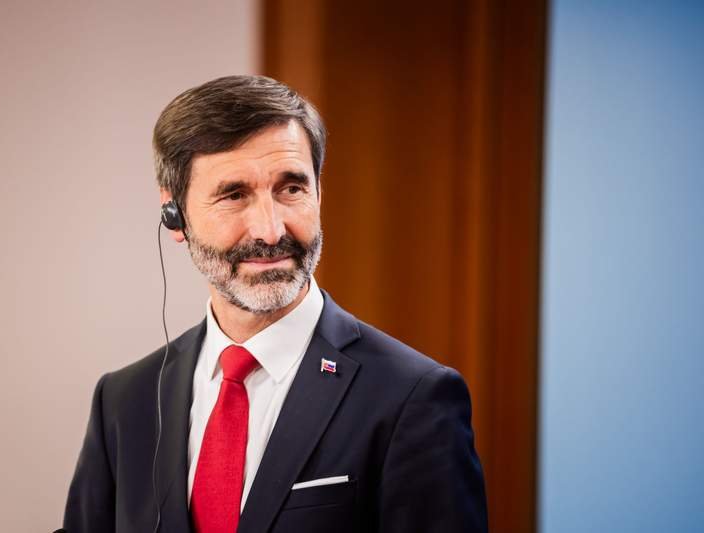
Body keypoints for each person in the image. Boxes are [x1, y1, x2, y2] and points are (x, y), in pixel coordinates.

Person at [63, 75, 487, 533]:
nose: (270, 230)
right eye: (234, 195)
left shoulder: (413, 396)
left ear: (319, 193)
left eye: (291, 189)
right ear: (175, 215)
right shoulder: (124, 400)